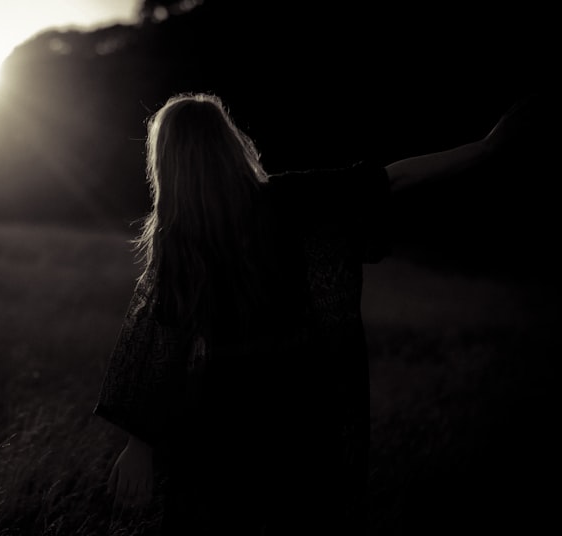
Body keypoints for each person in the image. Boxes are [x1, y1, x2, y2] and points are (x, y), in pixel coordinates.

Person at [93, 92, 530, 535]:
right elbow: (392, 179)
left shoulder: (181, 237)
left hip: (225, 413)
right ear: (228, 143)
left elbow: (158, 350)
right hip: (299, 400)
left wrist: (139, 446)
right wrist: (485, 148)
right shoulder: (281, 201)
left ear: (166, 162)